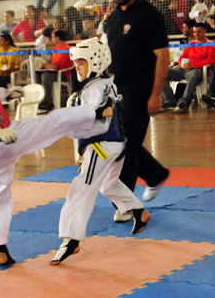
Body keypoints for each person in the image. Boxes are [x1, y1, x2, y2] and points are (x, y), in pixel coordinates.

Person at [0, 42, 100, 266]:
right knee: (51, 122)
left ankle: (0, 248)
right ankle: (94, 112)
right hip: (3, 140)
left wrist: (8, 93)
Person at [50, 38, 151, 265]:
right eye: (76, 63)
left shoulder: (97, 87)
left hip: (102, 145)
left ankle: (71, 240)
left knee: (81, 187)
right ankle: (137, 211)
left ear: (96, 62)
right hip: (111, 144)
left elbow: (103, 111)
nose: (77, 67)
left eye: (82, 63)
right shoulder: (100, 84)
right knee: (106, 184)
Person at [105, 0, 171, 214]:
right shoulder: (112, 19)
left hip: (141, 90)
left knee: (127, 146)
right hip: (117, 90)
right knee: (120, 141)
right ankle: (155, 174)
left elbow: (163, 57)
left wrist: (156, 94)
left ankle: (125, 206)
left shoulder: (148, 14)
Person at [162, 23, 215, 112]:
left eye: (199, 32)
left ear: (205, 32)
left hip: (197, 70)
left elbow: (210, 60)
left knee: (194, 74)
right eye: (194, 32)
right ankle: (169, 101)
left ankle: (183, 101)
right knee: (161, 73)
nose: (196, 34)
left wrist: (193, 65)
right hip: (184, 70)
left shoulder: (210, 44)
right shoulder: (192, 44)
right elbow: (181, 58)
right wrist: (182, 64)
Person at [36, 29, 73, 111]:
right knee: (37, 74)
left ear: (57, 38)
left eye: (52, 37)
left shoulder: (66, 48)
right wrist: (45, 65)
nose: (51, 39)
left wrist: (44, 65)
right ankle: (41, 99)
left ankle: (49, 101)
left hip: (63, 74)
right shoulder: (56, 47)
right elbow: (52, 62)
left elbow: (56, 66)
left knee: (45, 76)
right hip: (54, 72)